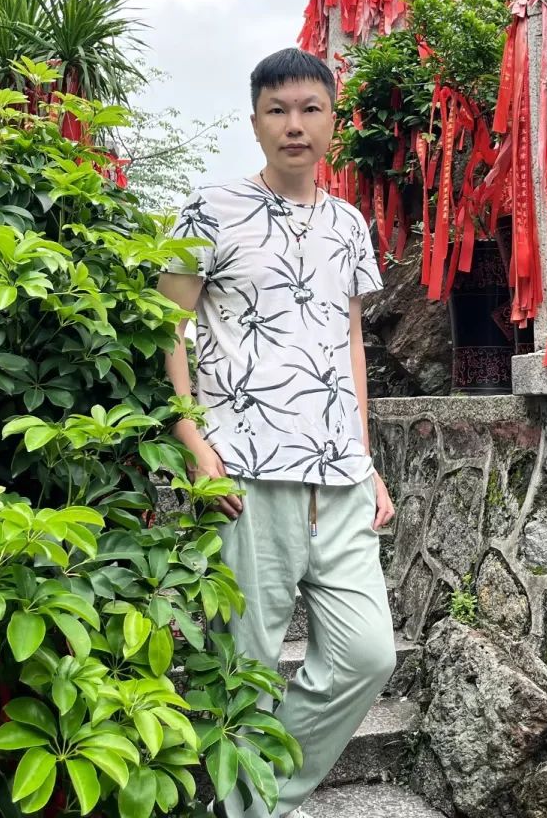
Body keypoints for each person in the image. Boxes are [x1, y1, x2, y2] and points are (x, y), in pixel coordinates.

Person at [159, 47, 396, 818]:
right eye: (278, 110)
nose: (295, 125)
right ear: (256, 121)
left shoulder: (349, 224)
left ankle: (261, 795)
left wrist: (366, 458)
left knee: (367, 654)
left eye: (310, 109)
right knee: (246, 668)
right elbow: (166, 328)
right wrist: (195, 443)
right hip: (246, 473)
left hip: (339, 475)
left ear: (332, 120)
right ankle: (248, 810)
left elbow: (350, 343)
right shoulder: (210, 208)